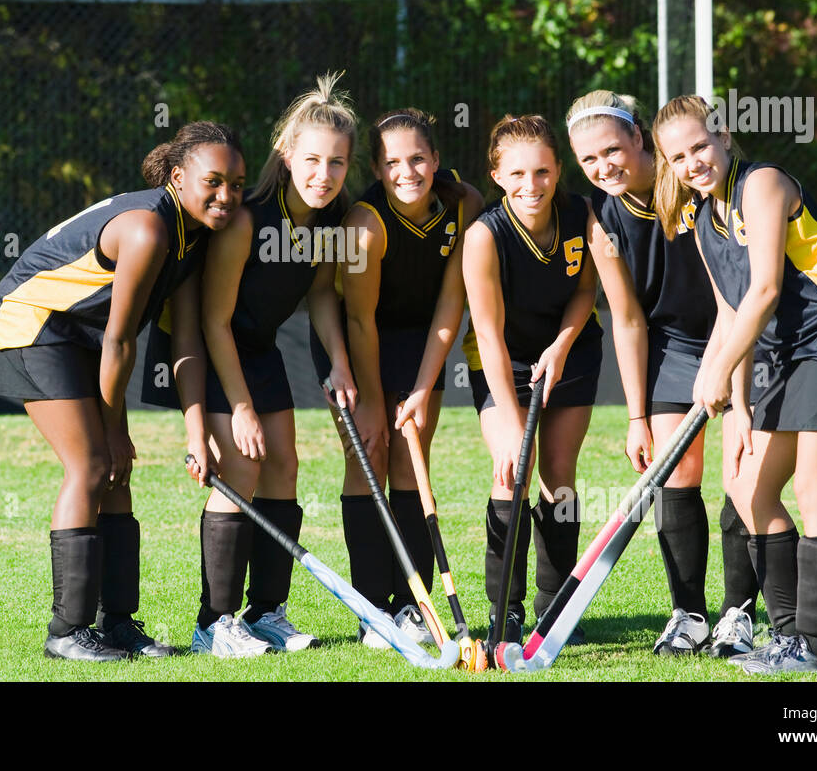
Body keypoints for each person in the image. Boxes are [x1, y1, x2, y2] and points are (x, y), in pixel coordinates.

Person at [652, 94, 817, 673]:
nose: (693, 162)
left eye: (700, 146)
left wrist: (717, 372)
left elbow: (765, 290)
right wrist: (736, 402)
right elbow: (729, 311)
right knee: (749, 492)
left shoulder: (762, 184)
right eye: (678, 157)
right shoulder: (702, 220)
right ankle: (789, 635)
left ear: (722, 139)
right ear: (667, 166)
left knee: (816, 491)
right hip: (783, 357)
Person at [0, 121, 246, 662]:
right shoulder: (149, 231)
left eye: (238, 185)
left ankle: (119, 626)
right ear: (177, 177)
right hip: (35, 323)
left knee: (116, 471)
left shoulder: (195, 234)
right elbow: (121, 339)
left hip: (85, 334)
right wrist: (115, 429)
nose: (227, 196)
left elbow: (186, 340)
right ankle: (67, 632)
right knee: (91, 465)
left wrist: (196, 432)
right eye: (213, 182)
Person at [146, 74, 360, 657]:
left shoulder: (328, 222)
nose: (324, 175)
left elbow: (320, 294)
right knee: (240, 471)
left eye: (337, 163)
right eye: (312, 160)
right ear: (287, 156)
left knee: (283, 467)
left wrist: (339, 362)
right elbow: (213, 322)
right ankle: (213, 623)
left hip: (259, 349)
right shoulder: (247, 220)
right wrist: (239, 408)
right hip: (218, 351)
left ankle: (267, 612)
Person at [566, 90, 762, 657]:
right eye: (589, 160)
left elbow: (740, 293)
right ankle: (689, 615)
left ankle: (737, 614)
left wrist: (725, 367)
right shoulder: (602, 216)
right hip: (671, 347)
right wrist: (635, 416)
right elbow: (626, 320)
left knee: (740, 476)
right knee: (676, 478)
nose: (604, 168)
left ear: (641, 141)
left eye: (612, 150)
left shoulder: (695, 187)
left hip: (741, 335)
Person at [312, 108, 484, 647]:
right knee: (369, 458)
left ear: (436, 161)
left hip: (418, 339)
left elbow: (450, 306)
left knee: (411, 458)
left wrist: (425, 387)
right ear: (377, 169)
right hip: (354, 337)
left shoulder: (466, 205)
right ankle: (373, 611)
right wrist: (367, 403)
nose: (406, 171)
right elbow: (360, 319)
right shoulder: (365, 225)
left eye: (417, 159)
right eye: (392, 163)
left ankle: (414, 606)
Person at [461, 114, 605, 646]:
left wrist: (562, 345)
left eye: (542, 172)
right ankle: (505, 614)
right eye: (518, 174)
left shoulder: (580, 213)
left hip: (571, 350)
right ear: (497, 175)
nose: (532, 186)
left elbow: (586, 292)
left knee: (558, 477)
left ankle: (556, 608)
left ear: (558, 169)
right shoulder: (484, 237)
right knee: (510, 474)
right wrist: (512, 421)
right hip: (504, 362)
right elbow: (489, 336)